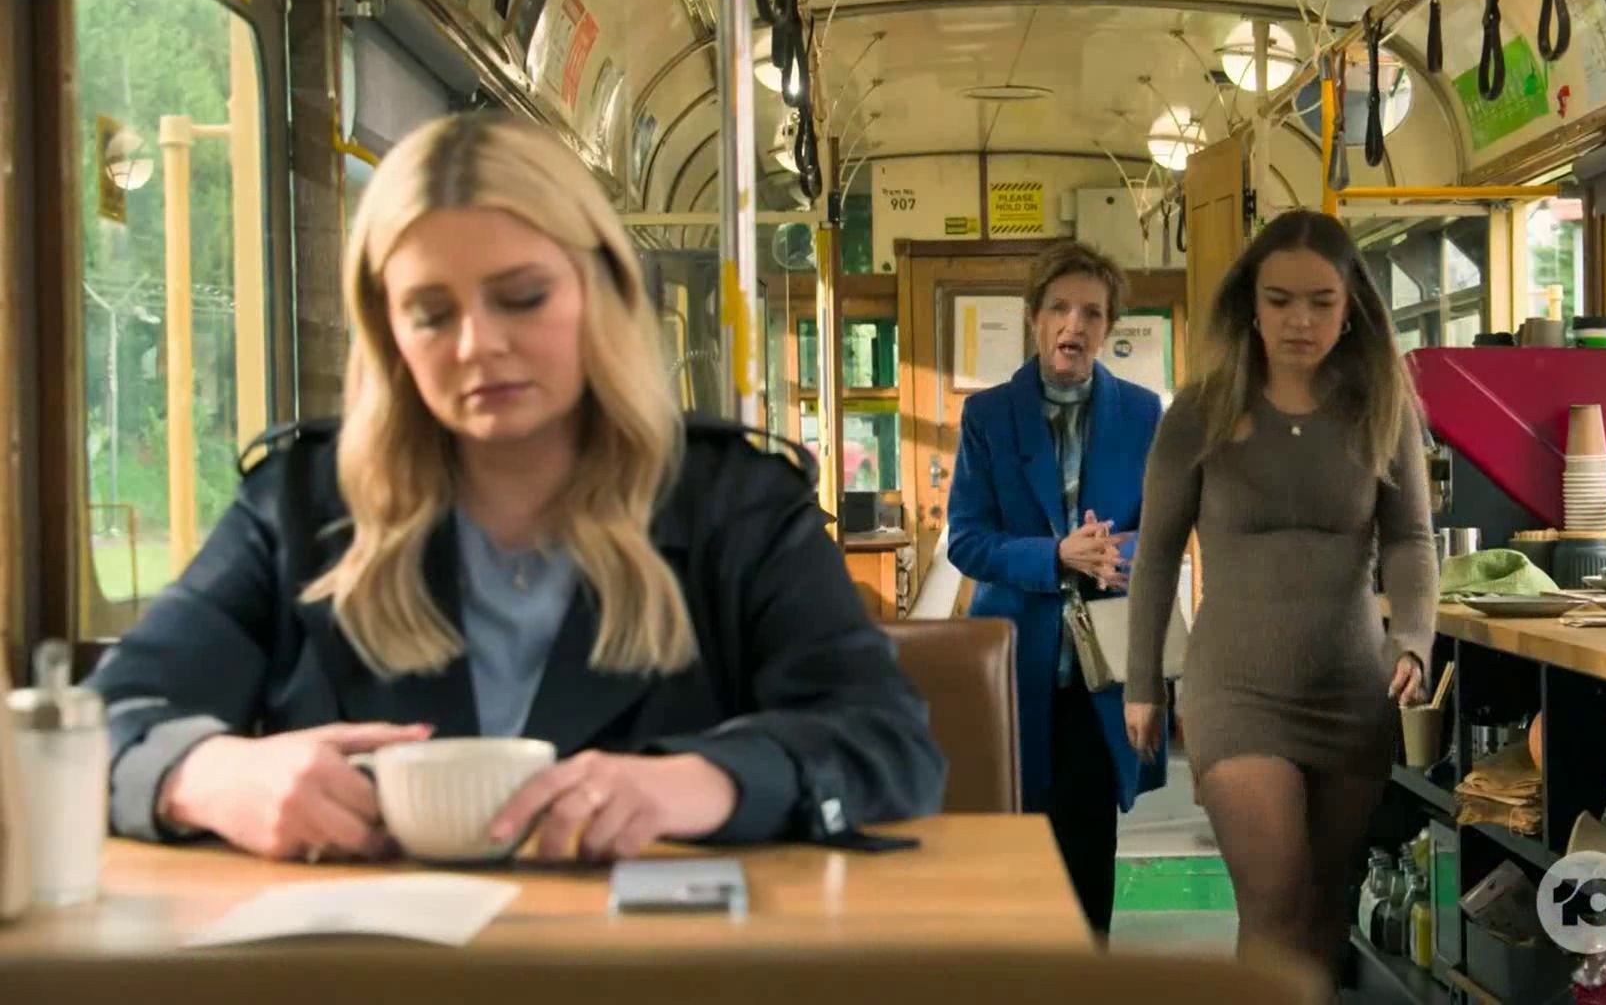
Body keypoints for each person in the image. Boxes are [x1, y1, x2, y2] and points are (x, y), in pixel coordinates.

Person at [84, 112, 945, 863]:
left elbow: (889, 743)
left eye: (522, 298)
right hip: (373, 966)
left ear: (601, 291)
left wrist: (707, 780)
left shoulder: (735, 505)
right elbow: (98, 723)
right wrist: (200, 774)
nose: (477, 345)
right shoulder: (302, 507)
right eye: (431, 314)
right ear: (389, 333)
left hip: (654, 965)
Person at [1122, 210, 1437, 975]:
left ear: (1350, 307)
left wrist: (1413, 640)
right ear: (1252, 306)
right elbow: (1156, 556)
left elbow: (1409, 539)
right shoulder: (1199, 413)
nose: (1300, 320)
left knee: (1324, 912)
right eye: (1280, 300)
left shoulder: (1381, 406)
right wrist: (1142, 685)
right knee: (1275, 901)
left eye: (1321, 302)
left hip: (1350, 688)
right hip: (1236, 691)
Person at [945, 241, 1168, 938]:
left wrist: (1114, 552)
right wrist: (1057, 555)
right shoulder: (988, 416)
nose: (1075, 325)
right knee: (1015, 851)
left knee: (1090, 851)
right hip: (1016, 671)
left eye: (1092, 313)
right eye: (1060, 309)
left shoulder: (1142, 413)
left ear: (1109, 327)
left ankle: (1087, 976)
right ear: (1034, 319)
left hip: (1104, 673)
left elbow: (1162, 530)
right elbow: (967, 540)